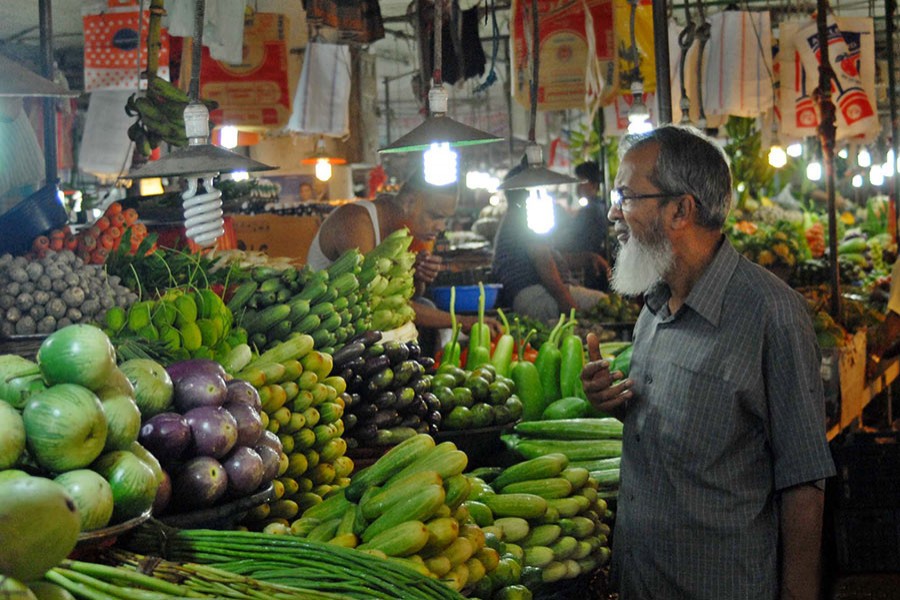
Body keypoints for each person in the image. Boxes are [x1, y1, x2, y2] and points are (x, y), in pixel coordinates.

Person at [580, 125, 835, 599]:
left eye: (627, 196)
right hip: (643, 580)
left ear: (681, 209)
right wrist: (615, 402)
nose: (614, 212)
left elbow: (804, 482)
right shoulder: (654, 304)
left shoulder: (770, 314)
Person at [306, 169, 501, 344]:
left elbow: (412, 297)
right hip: (329, 323)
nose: (441, 227)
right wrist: (460, 321)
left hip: (368, 319)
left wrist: (418, 275)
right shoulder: (355, 221)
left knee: (426, 306)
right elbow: (374, 300)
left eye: (445, 219)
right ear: (409, 203)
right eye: (436, 216)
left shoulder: (414, 231)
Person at [491, 164, 607, 322]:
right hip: (536, 296)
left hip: (534, 293)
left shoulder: (513, 218)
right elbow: (544, 263)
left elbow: (548, 257)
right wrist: (570, 308)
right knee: (605, 303)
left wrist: (587, 258)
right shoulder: (525, 217)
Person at [556, 160, 612, 291]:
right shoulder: (599, 207)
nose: (578, 187)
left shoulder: (590, 210)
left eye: (581, 182)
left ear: (594, 185)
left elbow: (575, 239)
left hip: (590, 268)